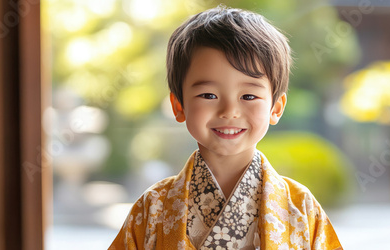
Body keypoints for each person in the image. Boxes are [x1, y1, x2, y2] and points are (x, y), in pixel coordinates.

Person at [110, 6, 342, 250]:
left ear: (276, 108)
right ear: (178, 105)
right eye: (208, 94)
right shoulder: (153, 207)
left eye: (249, 96)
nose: (229, 110)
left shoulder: (301, 207)